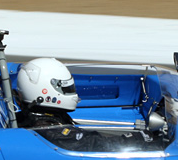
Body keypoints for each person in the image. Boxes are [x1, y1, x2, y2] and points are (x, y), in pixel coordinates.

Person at [15, 58, 161, 152]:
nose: (72, 93)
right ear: (43, 91)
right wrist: (138, 139)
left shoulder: (44, 116)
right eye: (66, 89)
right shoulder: (45, 126)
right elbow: (92, 143)